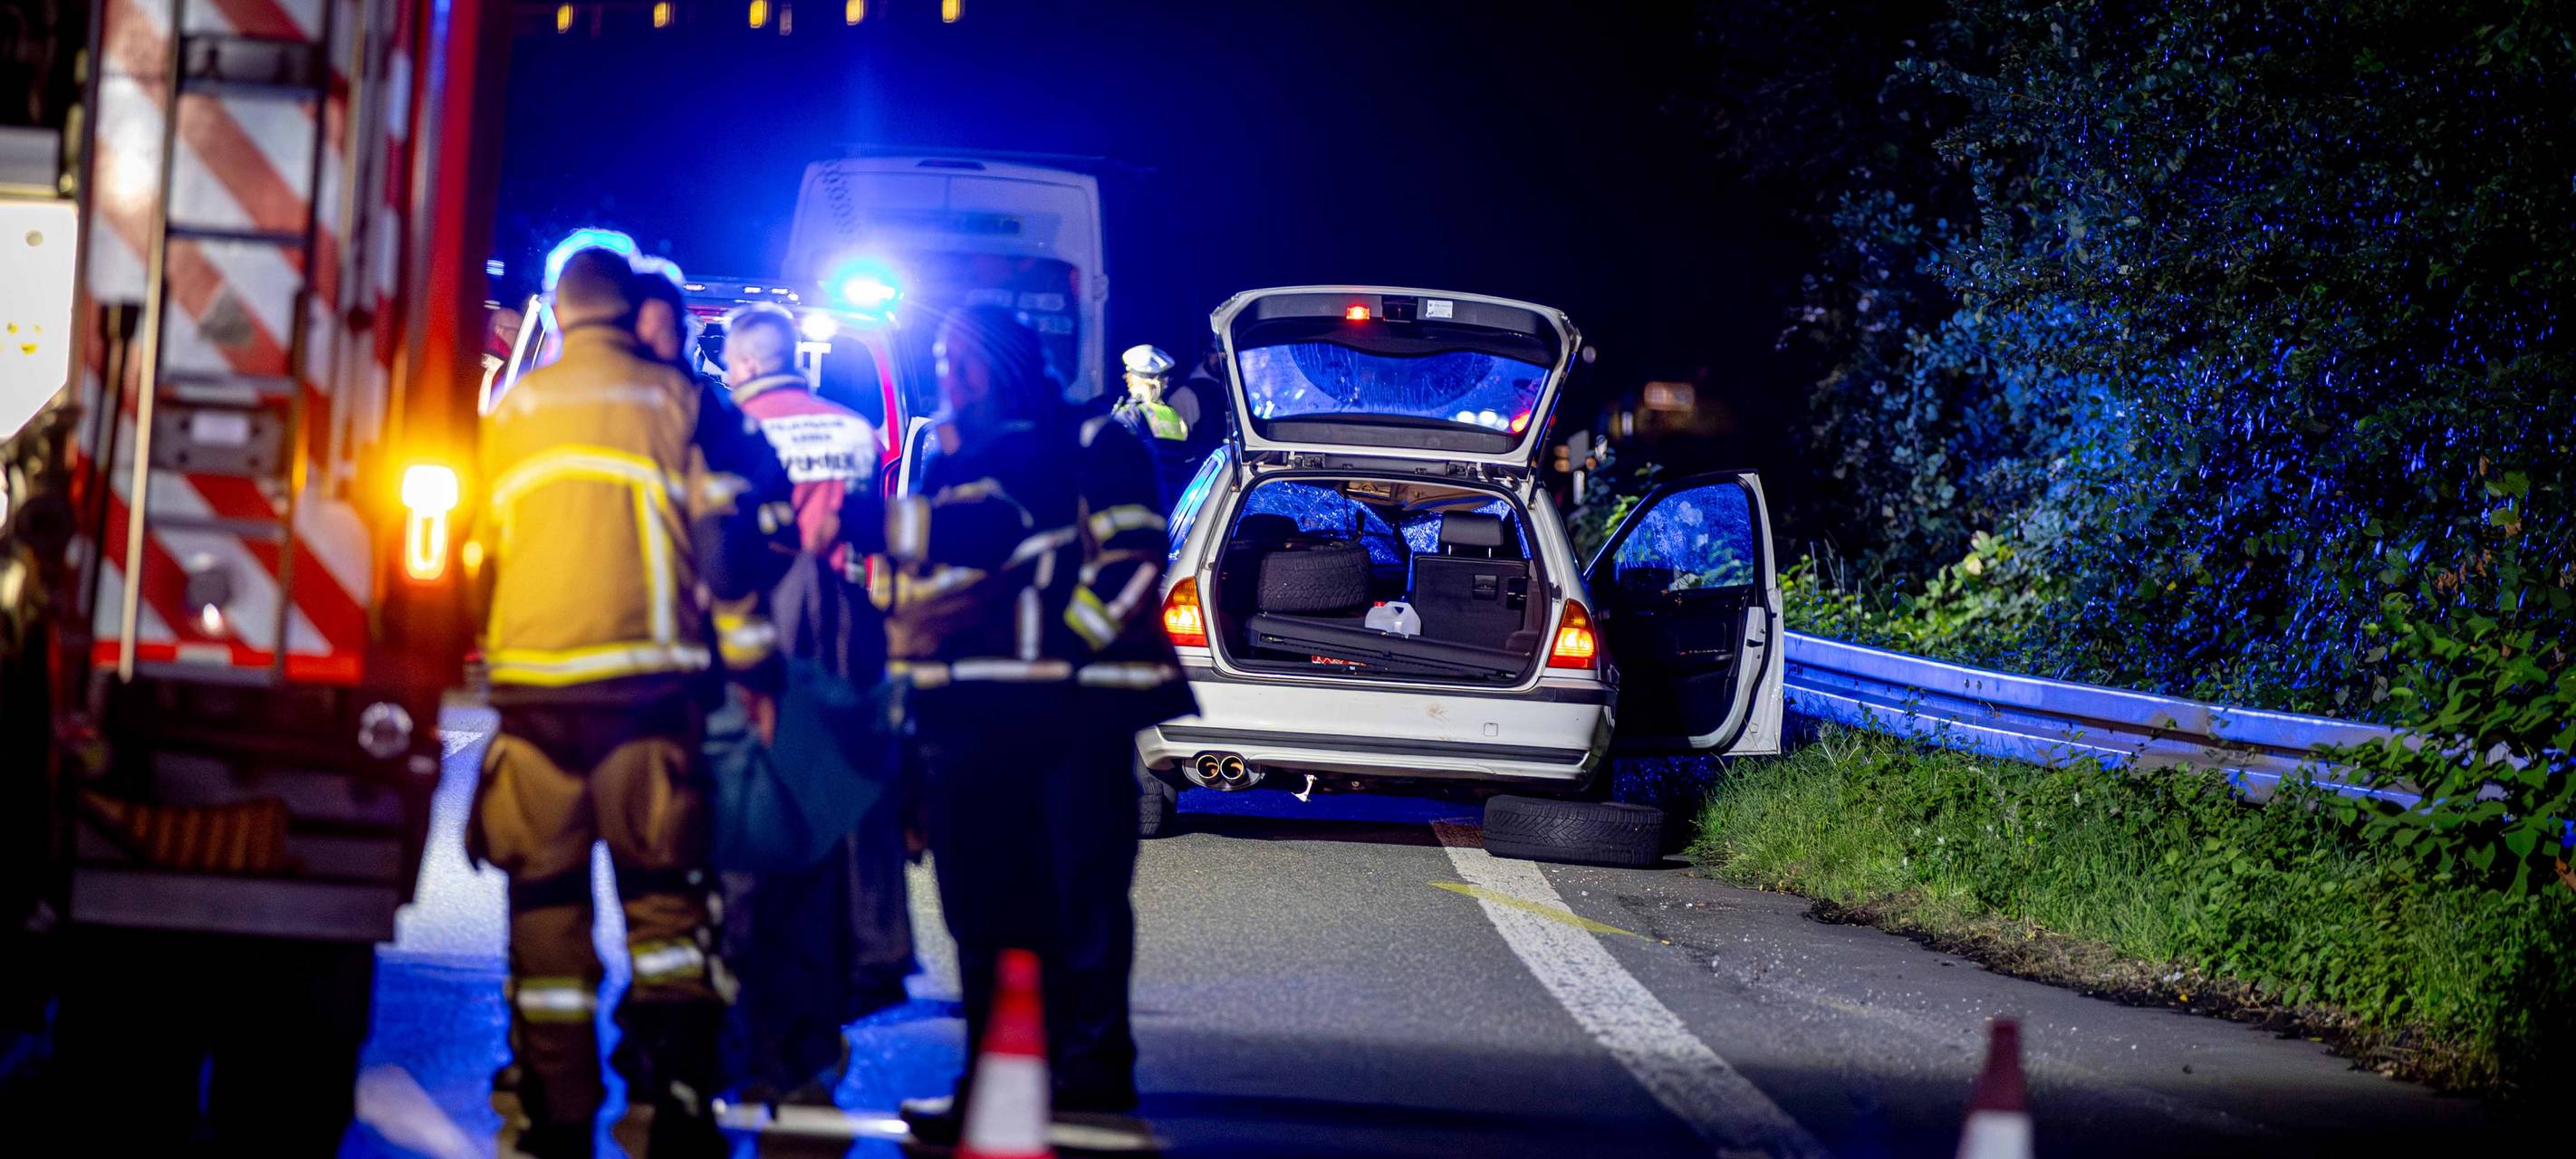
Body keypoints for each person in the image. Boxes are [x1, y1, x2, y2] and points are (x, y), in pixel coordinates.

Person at [469, 246, 790, 1159]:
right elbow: (728, 557)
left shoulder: (514, 411)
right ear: (629, 311)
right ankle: (682, 1097)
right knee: (666, 915)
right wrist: (756, 671)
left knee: (545, 916)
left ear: (563, 314)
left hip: (534, 707)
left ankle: (555, 1110)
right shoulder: (677, 405)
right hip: (648, 701)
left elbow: (473, 549)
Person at [870, 306, 1195, 1136]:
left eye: (960, 362)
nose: (949, 377)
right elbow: (925, 592)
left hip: (1080, 715)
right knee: (988, 908)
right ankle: (999, 1078)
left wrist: (1063, 650)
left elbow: (1132, 562)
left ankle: (1090, 1068)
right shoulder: (949, 456)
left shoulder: (1096, 445)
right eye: (941, 362)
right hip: (975, 717)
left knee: (1081, 886)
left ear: (1005, 366)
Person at [706, 302, 915, 1106]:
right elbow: (862, 535)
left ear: (750, 364)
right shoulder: (856, 432)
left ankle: (747, 1042)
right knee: (829, 848)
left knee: (747, 858)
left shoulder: (730, 429)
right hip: (841, 652)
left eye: (730, 363)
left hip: (752, 655)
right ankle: (815, 1045)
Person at [1110, 343, 1197, 505]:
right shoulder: (1173, 415)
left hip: (1141, 500)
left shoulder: (1131, 415)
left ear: (1138, 379)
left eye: (1129, 374)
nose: (1126, 378)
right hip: (1176, 501)